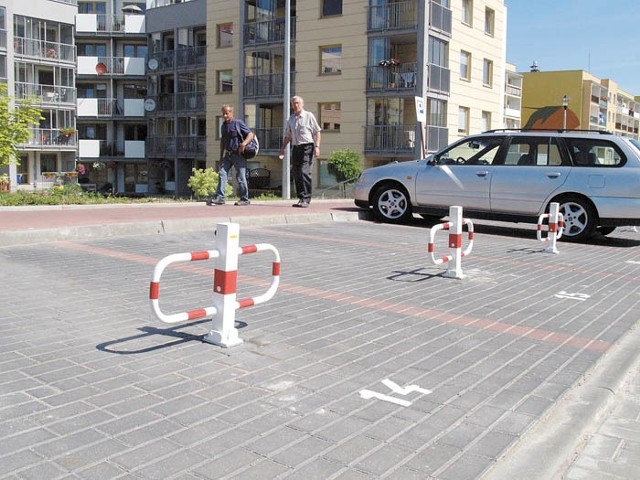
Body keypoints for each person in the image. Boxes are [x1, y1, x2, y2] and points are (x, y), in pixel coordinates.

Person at [279, 96, 321, 208]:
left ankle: (306, 198)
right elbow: (288, 136)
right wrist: (282, 148)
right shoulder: (291, 119)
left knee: (304, 172)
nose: (296, 105)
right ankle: (301, 198)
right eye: (294, 103)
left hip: (307, 147)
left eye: (297, 103)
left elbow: (317, 132)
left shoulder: (309, 116)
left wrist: (317, 147)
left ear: (302, 104)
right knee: (296, 173)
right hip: (296, 147)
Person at [210, 104, 254, 206]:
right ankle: (220, 198)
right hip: (228, 155)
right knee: (222, 173)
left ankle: (244, 199)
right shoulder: (223, 126)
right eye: (223, 114)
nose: (225, 116)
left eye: (226, 113)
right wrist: (221, 156)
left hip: (238, 155)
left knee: (241, 177)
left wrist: (244, 144)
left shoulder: (238, 123)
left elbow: (250, 134)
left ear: (231, 113)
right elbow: (223, 142)